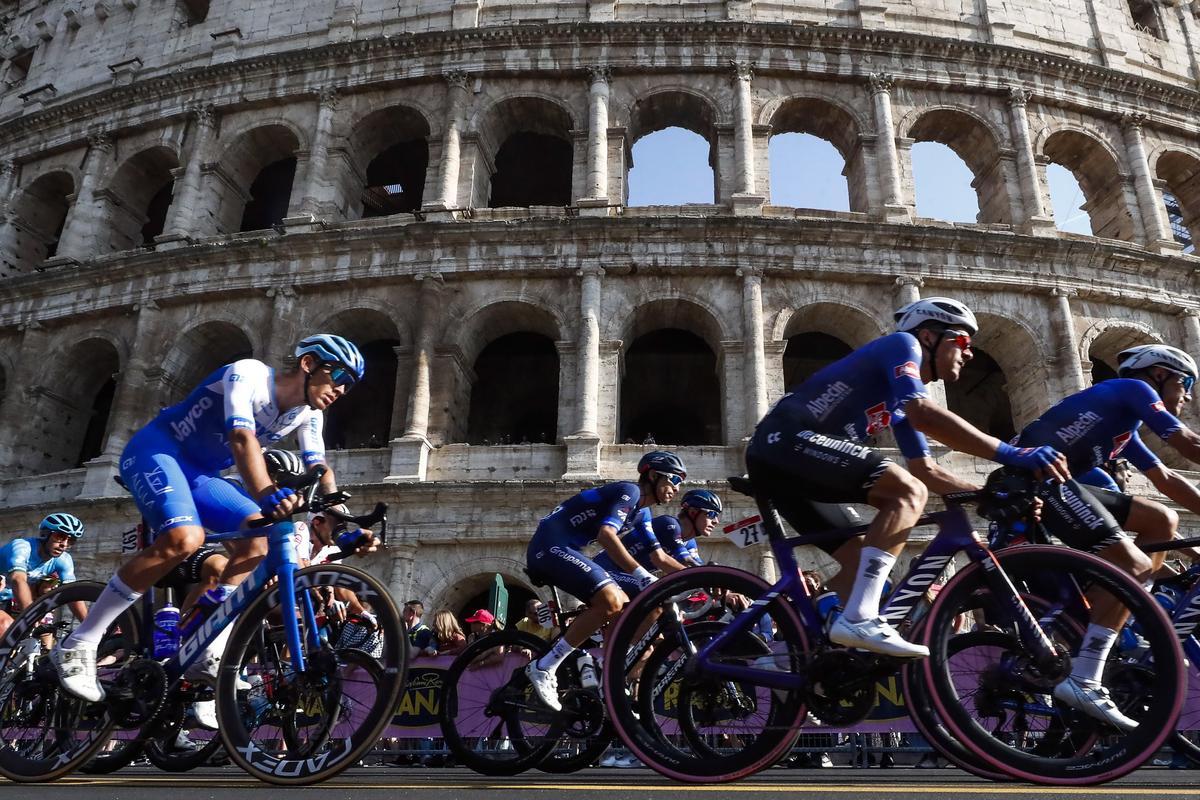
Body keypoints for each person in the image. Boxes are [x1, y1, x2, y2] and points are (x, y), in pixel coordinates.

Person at [51, 334, 372, 703]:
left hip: (203, 475)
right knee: (185, 539)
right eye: (339, 378)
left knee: (261, 540)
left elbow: (320, 470)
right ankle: (81, 641)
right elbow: (241, 437)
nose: (342, 390)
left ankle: (207, 644)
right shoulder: (248, 374)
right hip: (158, 451)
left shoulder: (308, 414)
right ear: (308, 364)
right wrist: (267, 493)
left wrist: (347, 526)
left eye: (349, 386)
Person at [745, 298, 1068, 659]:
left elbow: (926, 470)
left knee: (857, 560)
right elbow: (926, 417)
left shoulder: (898, 403)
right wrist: (1014, 453)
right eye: (962, 342)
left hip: (795, 462)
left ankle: (789, 655)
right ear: (929, 336)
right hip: (785, 441)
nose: (971, 354)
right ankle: (861, 620)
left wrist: (985, 496)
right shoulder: (903, 345)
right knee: (906, 492)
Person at [1004, 343, 1200, 729]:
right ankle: (1086, 676)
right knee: (1135, 565)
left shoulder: (1122, 430)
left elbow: (1168, 479)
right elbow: (1186, 443)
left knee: (1161, 520)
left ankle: (1113, 608)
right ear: (1159, 376)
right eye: (1186, 383)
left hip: (1055, 484)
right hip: (1032, 484)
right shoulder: (1135, 390)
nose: (1189, 394)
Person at [524, 450, 687, 711]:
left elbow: (659, 558)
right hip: (549, 546)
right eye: (675, 480)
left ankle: (607, 679)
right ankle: (545, 666)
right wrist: (640, 574)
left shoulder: (643, 514)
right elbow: (606, 535)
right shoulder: (630, 492)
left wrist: (695, 580)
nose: (677, 489)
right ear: (654, 475)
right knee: (611, 599)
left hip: (567, 548)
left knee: (623, 605)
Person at [0, 513, 85, 638]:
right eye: (60, 536)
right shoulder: (22, 547)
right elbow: (18, 580)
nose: (64, 544)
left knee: (18, 642)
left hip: (4, 600)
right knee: (5, 625)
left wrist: (90, 626)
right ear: (45, 534)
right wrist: (31, 616)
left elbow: (72, 593)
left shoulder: (64, 560)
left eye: (70, 540)